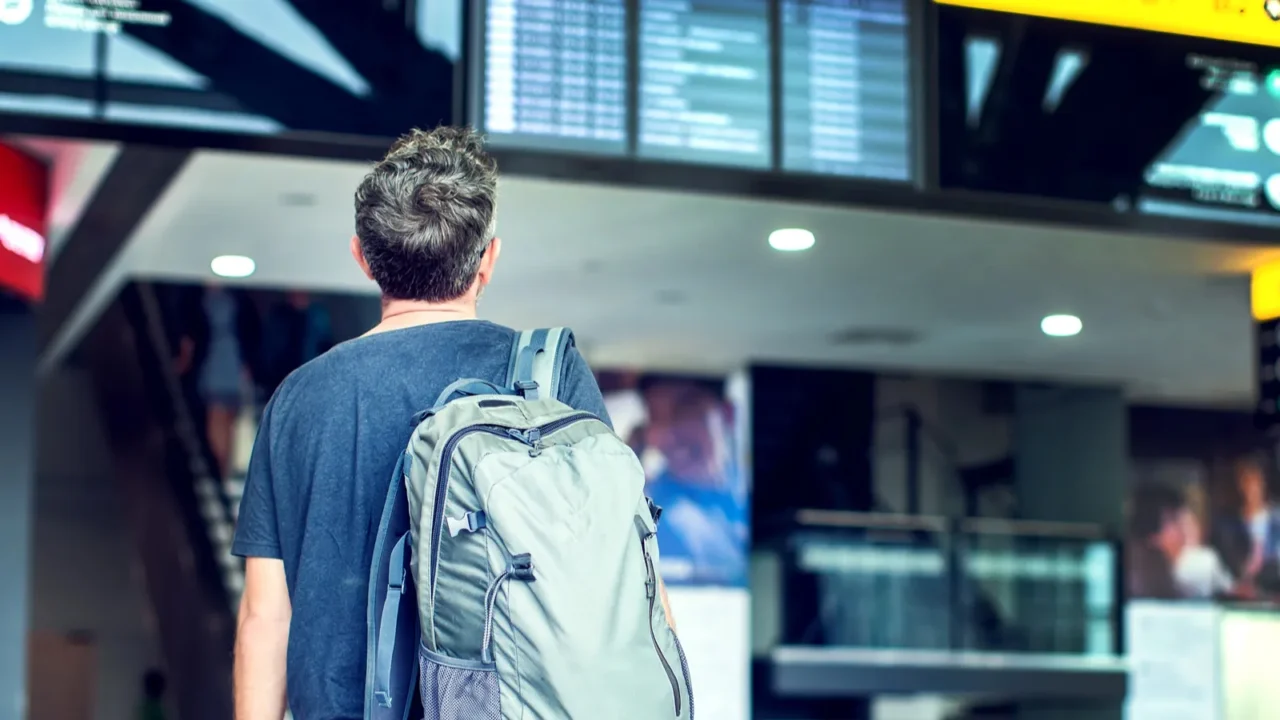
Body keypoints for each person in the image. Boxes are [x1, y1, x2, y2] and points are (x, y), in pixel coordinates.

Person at [229, 127, 673, 720]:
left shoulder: (298, 399)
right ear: (487, 259)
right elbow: (633, 575)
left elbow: (266, 618)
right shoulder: (548, 377)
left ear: (362, 256)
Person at [639, 375, 747, 586]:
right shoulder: (654, 516)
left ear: (727, 413)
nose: (666, 435)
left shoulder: (747, 494)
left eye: (684, 411)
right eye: (655, 417)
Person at [1211, 452, 1280, 591]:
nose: (1251, 488)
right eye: (1246, 481)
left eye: (1256, 481)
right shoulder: (1226, 526)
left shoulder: (1277, 519)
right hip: (1242, 593)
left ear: (1264, 482)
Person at [1126, 483, 1191, 600]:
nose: (1183, 532)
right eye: (1174, 521)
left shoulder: (1164, 573)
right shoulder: (1143, 579)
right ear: (1152, 535)